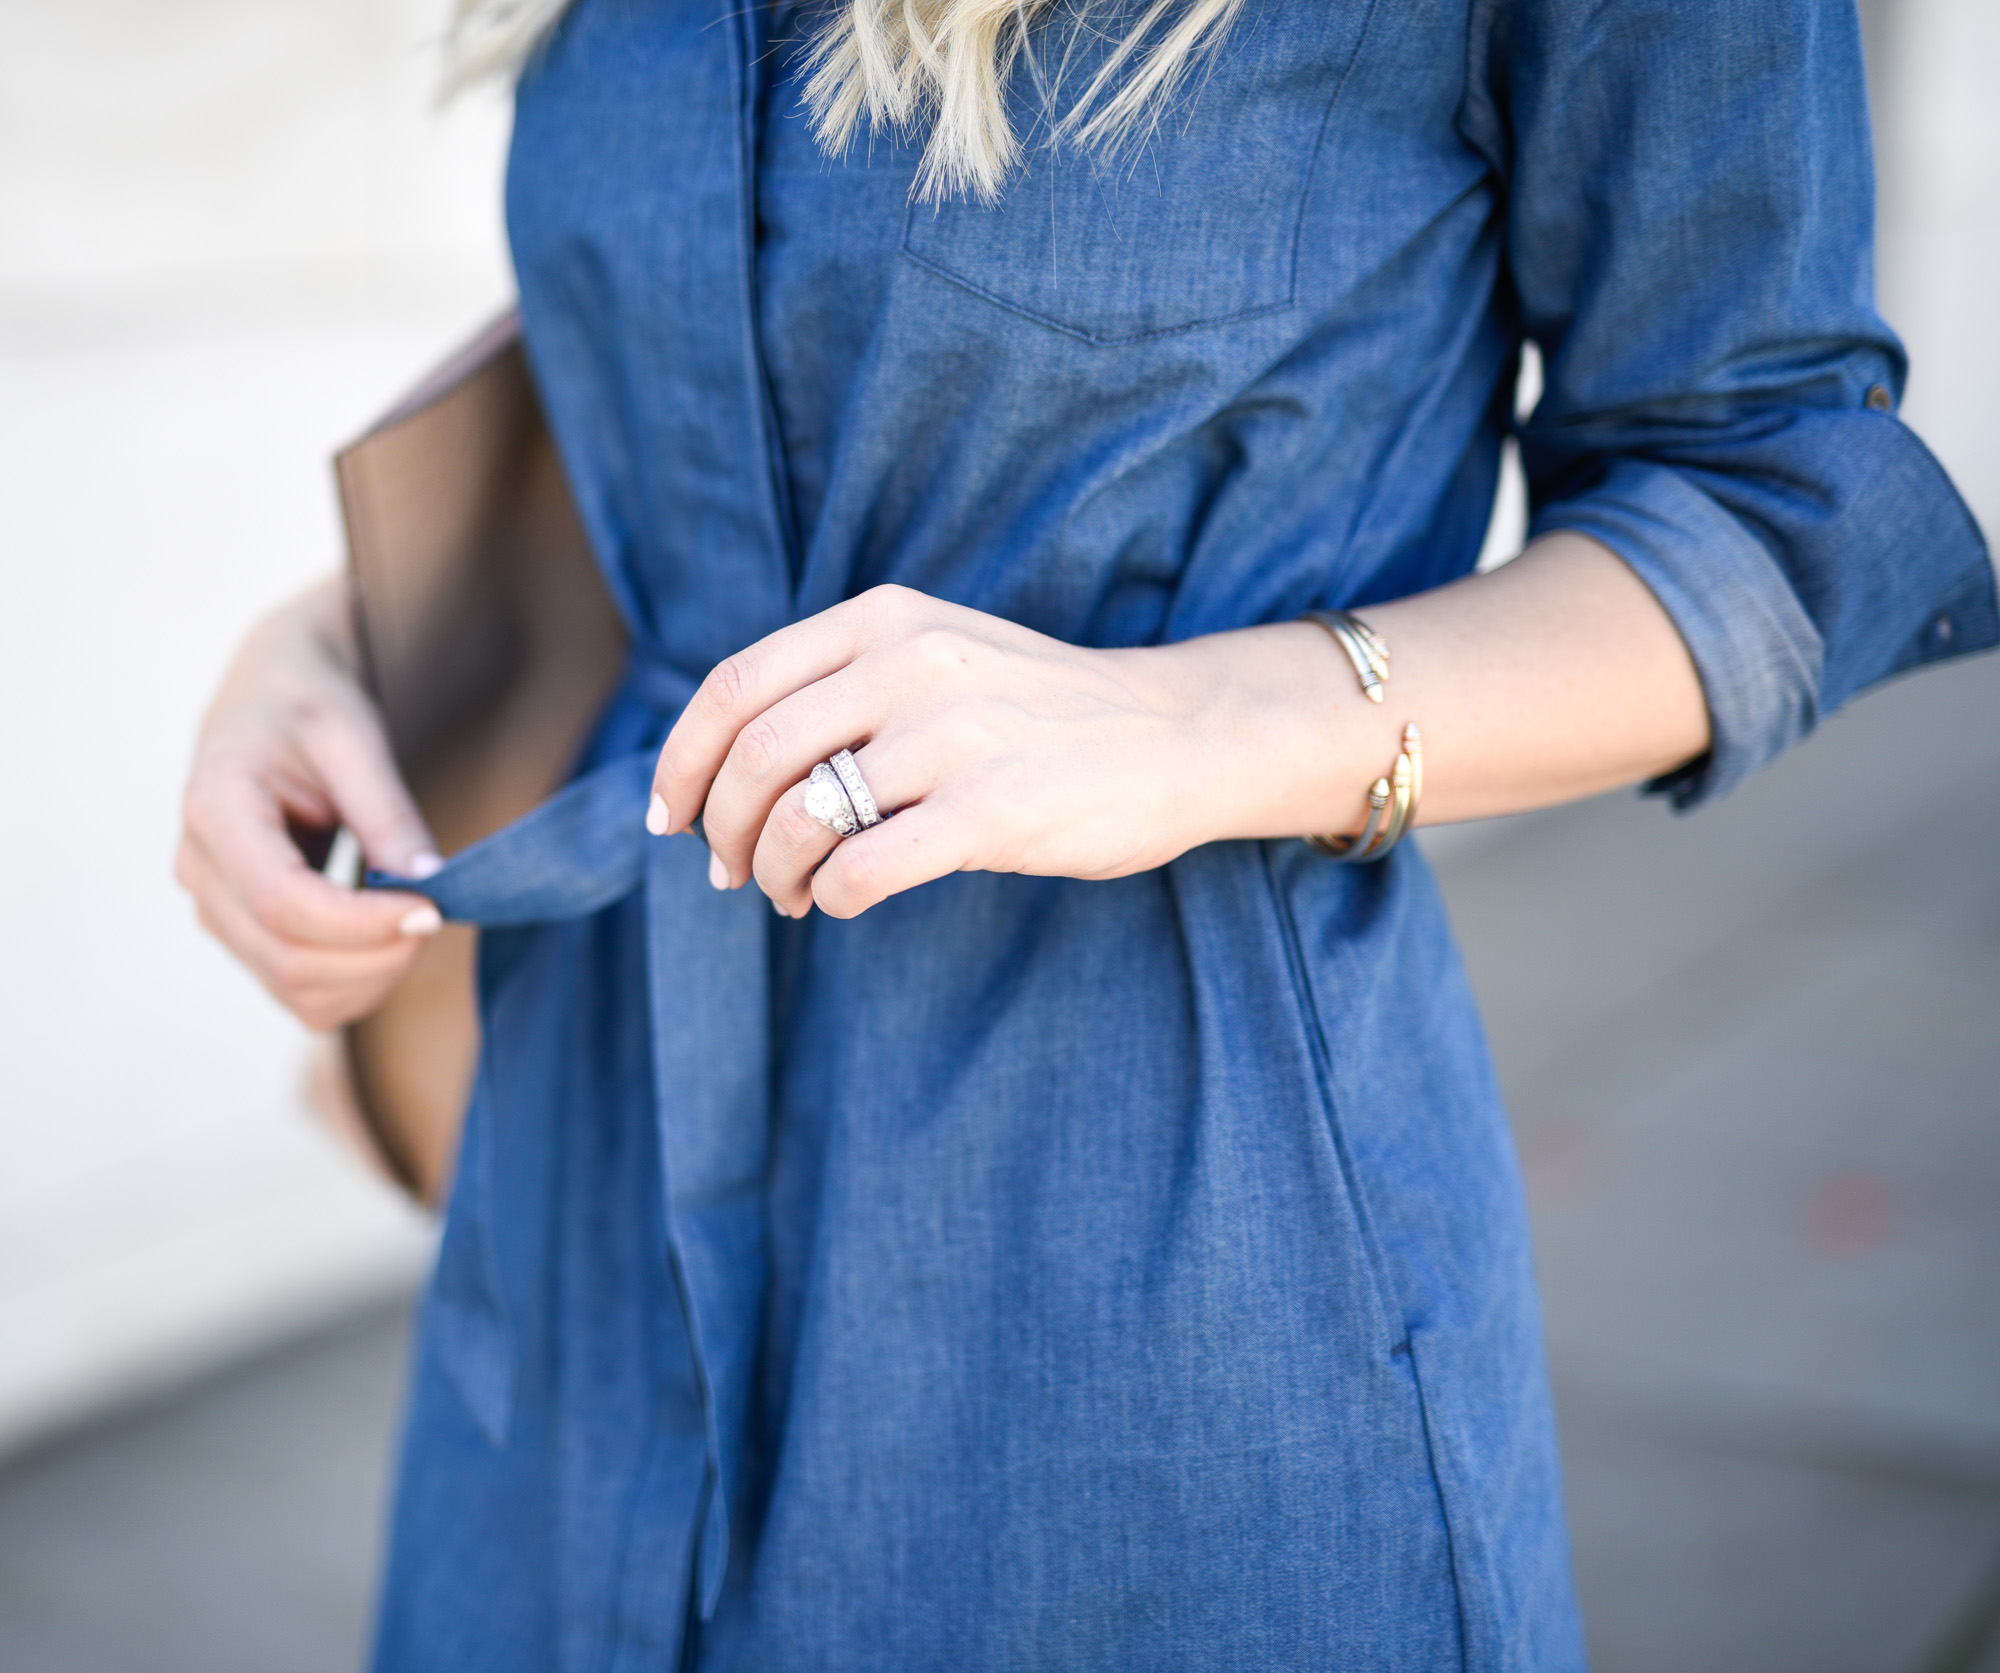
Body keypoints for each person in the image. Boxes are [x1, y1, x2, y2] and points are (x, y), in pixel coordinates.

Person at [176, 1, 1994, 1667]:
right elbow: (718, 389)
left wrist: (1192, 719)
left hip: (1147, 1244)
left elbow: (1774, 500)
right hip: (592, 1216)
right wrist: (321, 639)